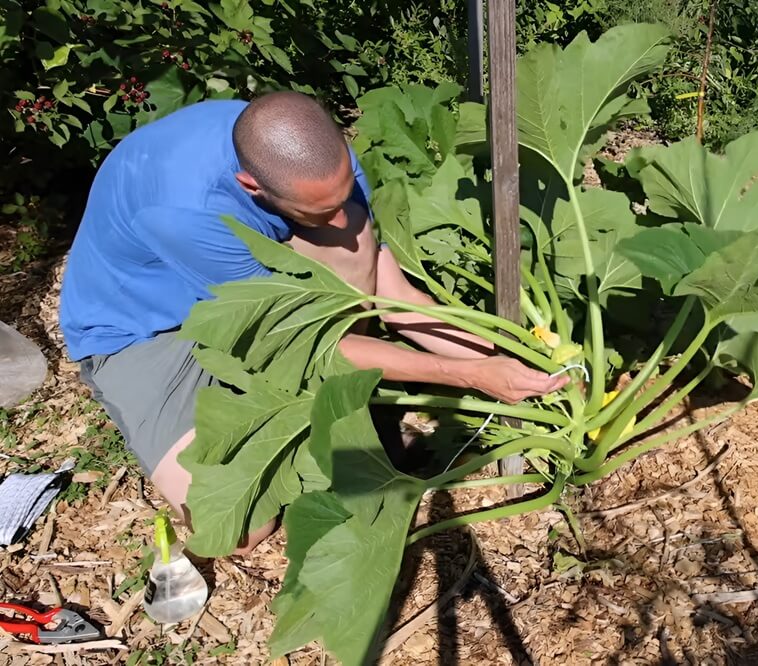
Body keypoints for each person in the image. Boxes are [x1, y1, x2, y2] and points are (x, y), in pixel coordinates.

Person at [59, 90, 568, 554]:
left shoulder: (320, 161)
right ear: (251, 186)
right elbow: (300, 343)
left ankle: (337, 410)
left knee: (356, 237)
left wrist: (507, 360)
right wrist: (470, 377)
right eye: (316, 213)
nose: (335, 218)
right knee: (239, 532)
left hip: (244, 300)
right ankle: (310, 412)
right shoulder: (187, 210)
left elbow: (394, 298)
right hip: (144, 333)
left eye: (341, 194)